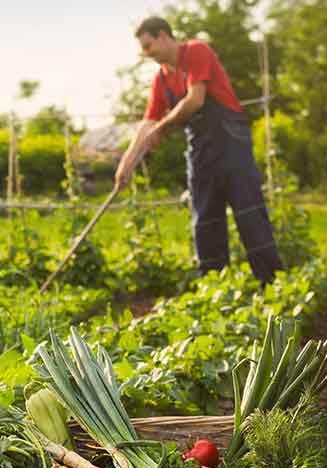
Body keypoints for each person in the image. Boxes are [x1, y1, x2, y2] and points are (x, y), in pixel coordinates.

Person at [115, 16, 283, 284]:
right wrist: (126, 164)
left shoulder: (195, 51)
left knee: (248, 214)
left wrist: (161, 128)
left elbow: (195, 100)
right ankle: (215, 291)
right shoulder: (161, 80)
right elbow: (147, 124)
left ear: (163, 36)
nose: (147, 54)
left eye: (148, 46)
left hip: (230, 141)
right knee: (205, 222)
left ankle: (274, 286)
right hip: (201, 150)